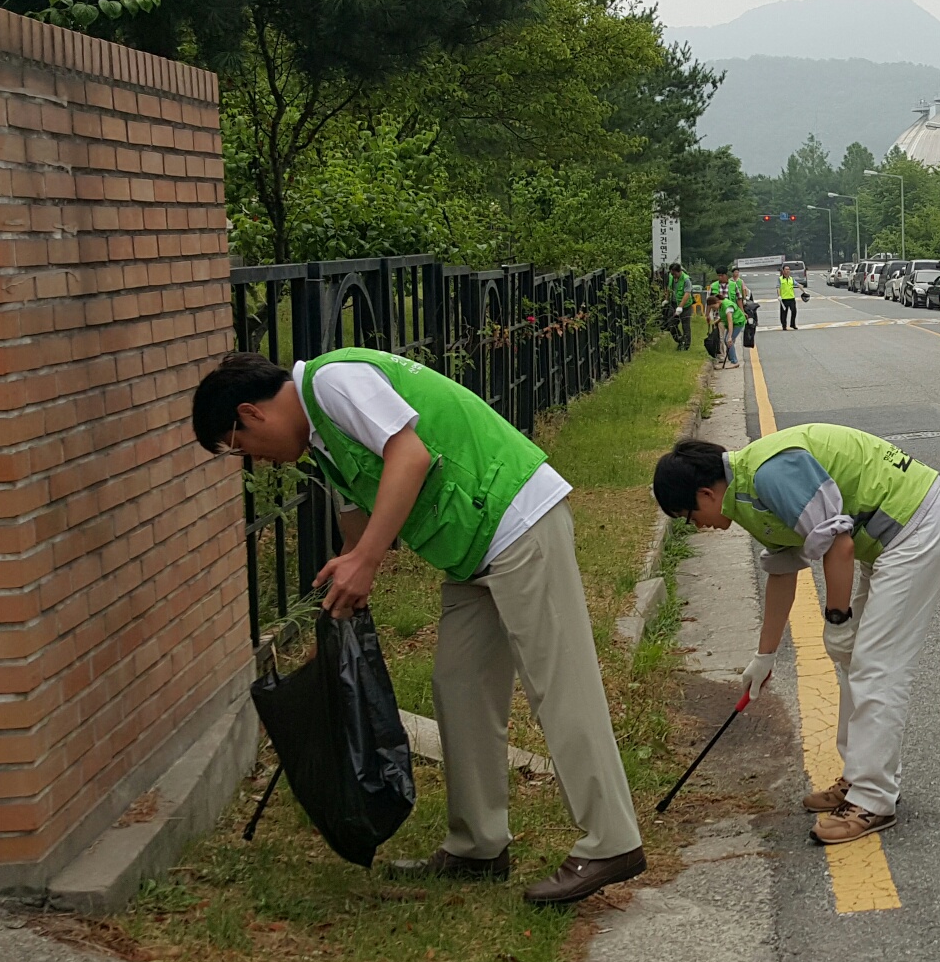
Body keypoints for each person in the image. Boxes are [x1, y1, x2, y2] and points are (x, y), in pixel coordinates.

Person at [193, 351, 645, 906]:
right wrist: (351, 563)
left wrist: (368, 562)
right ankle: (478, 846)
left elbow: (409, 456)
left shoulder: (334, 383)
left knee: (560, 686)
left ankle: (612, 842)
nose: (256, 462)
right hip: (472, 551)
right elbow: (359, 505)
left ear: (251, 413)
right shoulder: (320, 438)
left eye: (242, 449)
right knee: (458, 688)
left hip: (516, 520)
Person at [653, 425, 940, 845]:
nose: (697, 526)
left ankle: (873, 799)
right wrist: (765, 657)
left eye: (690, 517)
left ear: (705, 494)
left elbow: (839, 546)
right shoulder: (744, 496)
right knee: (858, 663)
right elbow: (783, 570)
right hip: (892, 539)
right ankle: (859, 778)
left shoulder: (769, 474)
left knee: (875, 666)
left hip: (917, 529)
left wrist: (837, 620)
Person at [717, 284, 743, 367]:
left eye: (713, 306)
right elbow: (723, 316)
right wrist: (716, 321)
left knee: (728, 340)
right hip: (733, 323)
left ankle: (734, 361)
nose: (714, 309)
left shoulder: (727, 306)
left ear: (717, 302)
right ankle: (732, 360)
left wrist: (730, 336)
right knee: (727, 340)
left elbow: (730, 321)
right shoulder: (721, 305)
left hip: (738, 322)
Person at [778, 265, 800, 331]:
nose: (788, 271)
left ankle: (792, 324)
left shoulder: (791, 279)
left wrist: (804, 291)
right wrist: (779, 296)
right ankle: (784, 325)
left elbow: (798, 285)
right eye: (786, 269)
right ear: (783, 271)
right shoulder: (780, 279)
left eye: (789, 269)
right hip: (784, 299)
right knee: (783, 313)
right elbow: (778, 288)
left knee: (794, 311)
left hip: (791, 298)